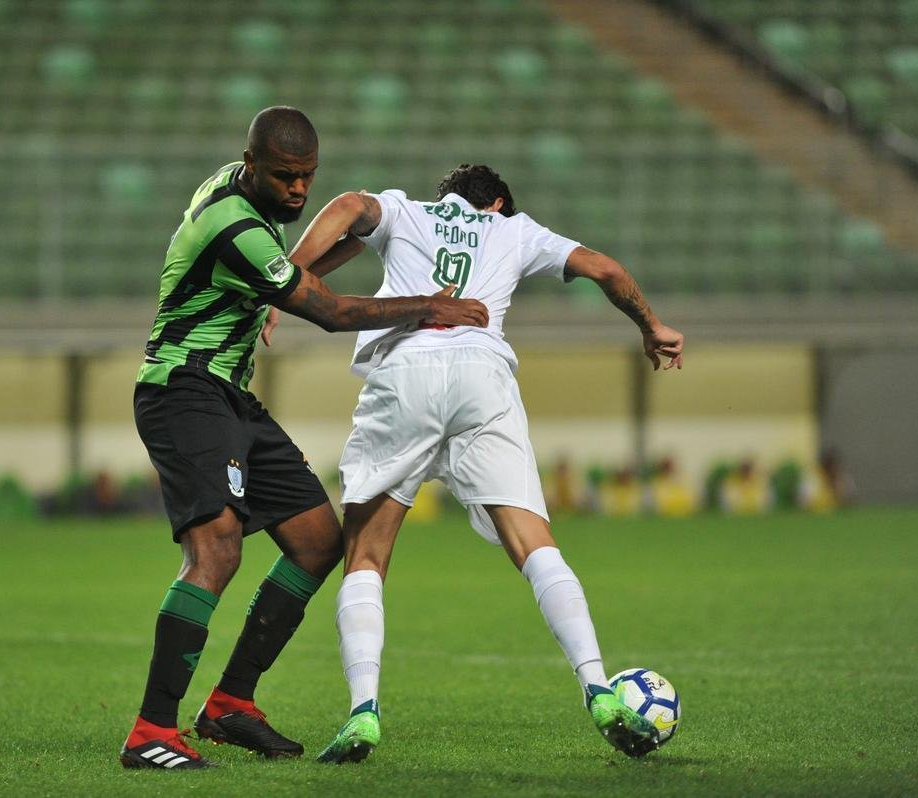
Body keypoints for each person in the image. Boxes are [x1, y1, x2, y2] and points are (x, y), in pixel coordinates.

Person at [120, 107, 490, 770]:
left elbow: (306, 271)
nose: (298, 191)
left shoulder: (233, 193)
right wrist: (429, 306)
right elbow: (329, 312)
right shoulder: (234, 228)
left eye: (308, 177)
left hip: (228, 393)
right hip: (184, 390)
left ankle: (231, 703)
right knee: (218, 549)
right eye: (286, 178)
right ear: (252, 165)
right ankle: (151, 729)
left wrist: (347, 254)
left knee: (321, 541)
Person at [283, 164, 685, 763]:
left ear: (447, 198)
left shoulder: (407, 210)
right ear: (497, 202)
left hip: (405, 368)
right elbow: (606, 269)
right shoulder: (515, 229)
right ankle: (598, 686)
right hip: (482, 375)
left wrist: (289, 278)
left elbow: (345, 205)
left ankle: (363, 711)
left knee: (366, 555)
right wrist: (650, 325)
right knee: (534, 543)